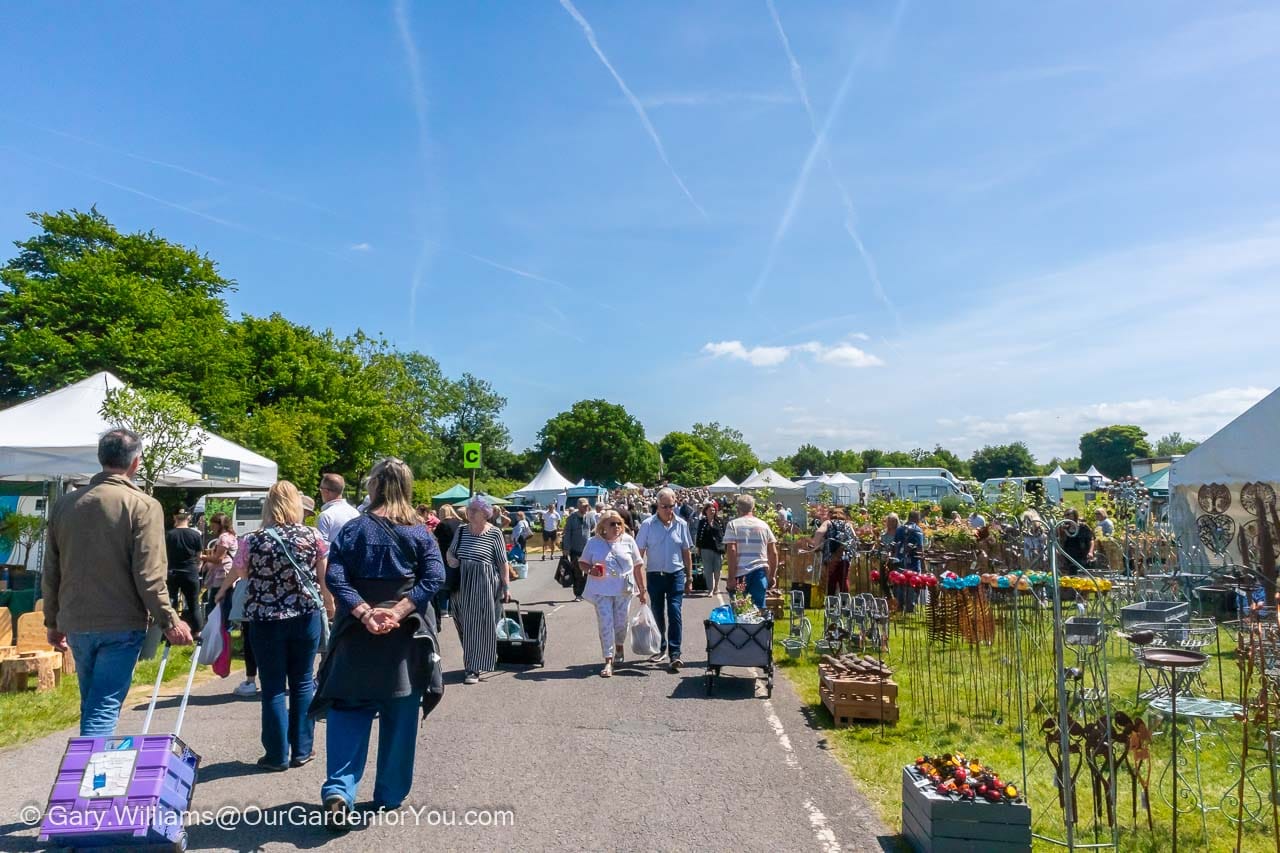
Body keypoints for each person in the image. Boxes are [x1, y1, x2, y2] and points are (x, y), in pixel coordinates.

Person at [312, 457, 444, 828]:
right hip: (404, 637)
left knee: (348, 709)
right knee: (401, 714)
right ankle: (388, 793)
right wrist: (398, 611)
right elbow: (435, 577)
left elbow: (335, 577)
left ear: (373, 486)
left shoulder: (353, 530)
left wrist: (365, 612)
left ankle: (339, 789)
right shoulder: (420, 533)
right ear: (407, 486)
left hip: (357, 634)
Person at [43, 429, 193, 736]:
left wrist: (52, 620)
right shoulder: (143, 505)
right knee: (103, 706)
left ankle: (92, 770)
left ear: (101, 458)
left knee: (94, 703)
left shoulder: (66, 504)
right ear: (135, 462)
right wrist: (170, 620)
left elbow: (52, 570)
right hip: (121, 622)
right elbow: (150, 575)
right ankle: (91, 778)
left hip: (76, 619)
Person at [216, 481, 329, 772]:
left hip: (265, 619)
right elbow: (323, 575)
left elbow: (240, 572)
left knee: (274, 688)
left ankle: (276, 755)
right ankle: (302, 749)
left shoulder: (253, 539)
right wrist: (329, 604)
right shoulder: (312, 536)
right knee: (303, 682)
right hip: (305, 616)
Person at [443, 497, 509, 684]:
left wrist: (506, 586)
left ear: (485, 514)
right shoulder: (462, 531)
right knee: (463, 624)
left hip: (485, 585)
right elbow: (450, 551)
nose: (469, 513)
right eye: (469, 510)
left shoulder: (495, 533)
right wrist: (451, 560)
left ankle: (472, 668)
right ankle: (474, 659)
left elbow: (502, 562)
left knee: (479, 626)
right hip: (461, 584)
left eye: (474, 510)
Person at [579, 510, 647, 678]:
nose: (616, 526)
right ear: (603, 527)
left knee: (621, 624)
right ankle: (608, 661)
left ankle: (619, 646)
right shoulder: (593, 542)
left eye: (619, 523)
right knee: (605, 624)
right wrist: (591, 570)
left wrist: (642, 590)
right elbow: (582, 562)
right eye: (612, 524)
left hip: (624, 590)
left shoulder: (628, 540)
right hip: (601, 590)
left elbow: (638, 566)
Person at [635, 488, 694, 671]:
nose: (669, 510)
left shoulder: (681, 524)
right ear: (657, 506)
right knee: (657, 612)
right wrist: (640, 582)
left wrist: (690, 577)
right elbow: (639, 554)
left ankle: (675, 653)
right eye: (665, 506)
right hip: (655, 575)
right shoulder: (648, 525)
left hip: (676, 574)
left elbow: (686, 552)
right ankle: (661, 648)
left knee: (675, 612)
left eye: (672, 506)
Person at [723, 494, 778, 610]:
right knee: (759, 609)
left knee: (740, 609)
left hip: (740, 573)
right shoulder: (764, 526)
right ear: (753, 508)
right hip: (759, 571)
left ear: (738, 509)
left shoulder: (733, 525)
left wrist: (731, 577)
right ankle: (759, 628)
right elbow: (773, 553)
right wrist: (772, 575)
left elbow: (732, 550)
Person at [166, 509, 205, 637]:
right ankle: (198, 632)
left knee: (171, 602)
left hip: (172, 572)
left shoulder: (169, 535)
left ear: (175, 517)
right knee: (193, 603)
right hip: (190, 572)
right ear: (188, 518)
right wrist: (198, 567)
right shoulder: (195, 535)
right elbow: (199, 555)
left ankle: (170, 630)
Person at [431, 505, 462, 621]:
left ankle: (444, 609)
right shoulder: (460, 523)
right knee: (455, 583)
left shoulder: (442, 524)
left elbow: (434, 539)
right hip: (458, 555)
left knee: (444, 583)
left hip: (445, 555)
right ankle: (453, 609)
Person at [563, 498, 595, 602]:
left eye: (587, 506)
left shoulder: (590, 516)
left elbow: (595, 528)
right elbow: (567, 533)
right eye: (584, 506)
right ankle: (578, 593)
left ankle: (586, 592)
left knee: (588, 573)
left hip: (588, 550)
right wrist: (566, 548)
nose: (586, 508)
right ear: (579, 506)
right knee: (577, 572)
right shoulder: (572, 518)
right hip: (575, 550)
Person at [893, 510, 925, 612]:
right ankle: (910, 607)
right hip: (913, 562)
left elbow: (895, 546)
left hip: (899, 560)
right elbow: (920, 548)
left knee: (900, 583)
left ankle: (899, 605)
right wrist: (923, 564)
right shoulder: (917, 530)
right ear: (916, 519)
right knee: (913, 583)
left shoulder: (899, 529)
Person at [316, 473, 361, 545]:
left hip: (333, 556)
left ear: (326, 491)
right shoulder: (355, 513)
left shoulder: (326, 516)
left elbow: (322, 548)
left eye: (321, 488)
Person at [695, 502, 725, 596]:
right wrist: (698, 547)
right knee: (708, 570)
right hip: (706, 548)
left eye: (713, 510)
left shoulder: (720, 522)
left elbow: (723, 535)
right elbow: (699, 535)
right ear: (706, 511)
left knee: (717, 570)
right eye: (710, 510)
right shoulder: (702, 522)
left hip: (718, 549)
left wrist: (725, 547)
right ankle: (710, 589)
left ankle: (716, 587)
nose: (712, 511)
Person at [1058, 508, 1094, 574]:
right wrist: (1062, 532)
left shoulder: (1083, 527)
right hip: (1069, 556)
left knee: (1084, 574)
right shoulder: (1065, 528)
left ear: (1074, 515)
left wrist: (1090, 552)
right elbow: (1061, 542)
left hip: (1082, 555)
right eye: (1065, 515)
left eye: (1068, 514)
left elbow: (1091, 540)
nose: (1066, 517)